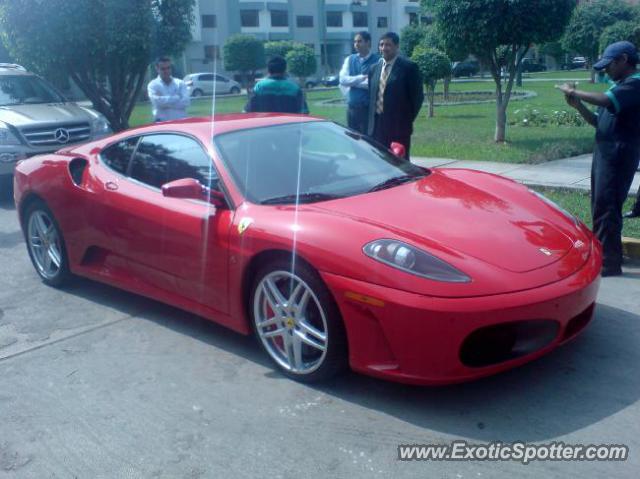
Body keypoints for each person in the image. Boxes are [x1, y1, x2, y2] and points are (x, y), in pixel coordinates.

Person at [557, 41, 640, 276]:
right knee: (601, 205)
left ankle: (608, 263)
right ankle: (605, 258)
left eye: (609, 65)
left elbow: (605, 101)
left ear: (623, 59)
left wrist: (573, 91)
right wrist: (578, 105)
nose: (606, 71)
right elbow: (598, 120)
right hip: (606, 153)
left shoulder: (634, 85)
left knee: (607, 208)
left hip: (618, 155)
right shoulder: (619, 86)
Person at [367, 32, 424, 159]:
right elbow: (371, 98)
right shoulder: (373, 69)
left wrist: (405, 119)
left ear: (397, 46)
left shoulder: (409, 68)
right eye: (381, 45)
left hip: (399, 127)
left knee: (400, 163)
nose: (384, 48)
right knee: (380, 161)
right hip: (377, 126)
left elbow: (417, 98)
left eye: (388, 45)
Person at [339, 31, 380, 134]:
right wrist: (361, 78)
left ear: (368, 43)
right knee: (353, 138)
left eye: (359, 41)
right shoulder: (350, 59)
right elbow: (342, 80)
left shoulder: (378, 60)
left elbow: (373, 84)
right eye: (355, 42)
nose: (356, 44)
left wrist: (352, 82)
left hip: (368, 110)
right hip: (352, 109)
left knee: (368, 139)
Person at [244, 56, 309, 114]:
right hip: (289, 126)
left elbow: (247, 111)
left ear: (268, 70)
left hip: (265, 126)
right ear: (285, 70)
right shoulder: (294, 88)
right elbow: (304, 113)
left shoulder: (259, 87)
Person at [147, 56, 190, 122]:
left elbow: (186, 102)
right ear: (157, 69)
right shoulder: (153, 85)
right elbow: (157, 102)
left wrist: (163, 100)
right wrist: (177, 97)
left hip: (181, 123)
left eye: (168, 68)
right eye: (163, 69)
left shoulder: (180, 83)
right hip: (161, 124)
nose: (166, 71)